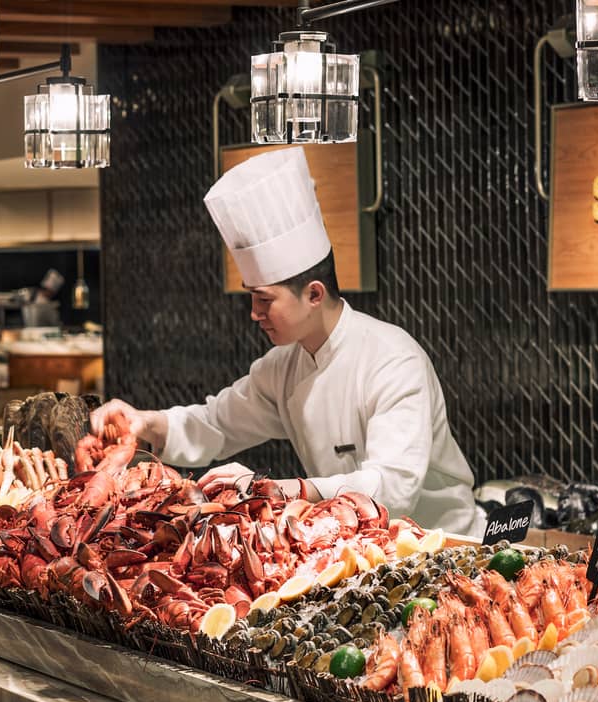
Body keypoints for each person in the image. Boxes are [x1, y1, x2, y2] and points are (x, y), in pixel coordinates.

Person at [92, 147, 484, 535]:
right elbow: (216, 423)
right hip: (354, 546)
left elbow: (394, 490)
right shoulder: (281, 368)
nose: (253, 313)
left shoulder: (393, 360)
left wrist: (282, 491)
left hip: (445, 544)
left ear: (314, 294)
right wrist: (144, 424)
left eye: (264, 299)